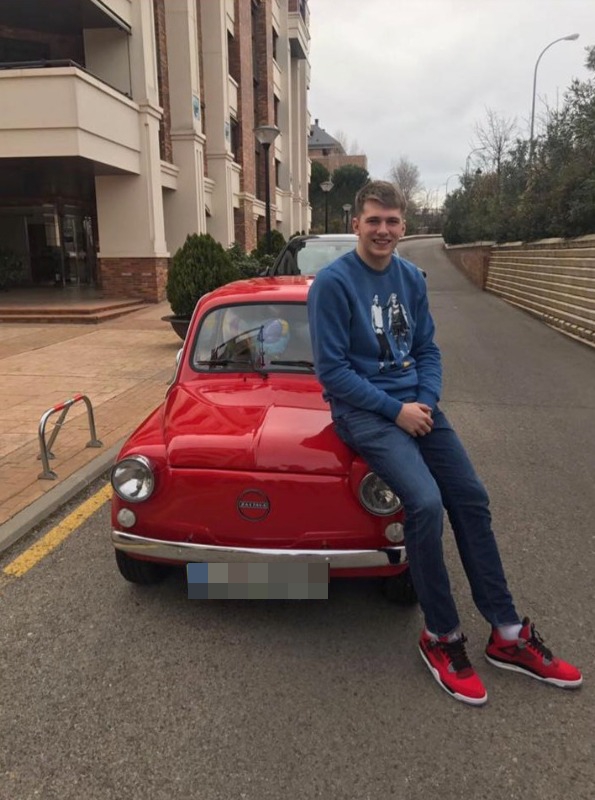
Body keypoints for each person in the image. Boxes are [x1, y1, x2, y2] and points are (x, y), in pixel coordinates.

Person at [307, 180, 582, 706]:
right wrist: (396, 410)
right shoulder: (333, 284)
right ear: (355, 225)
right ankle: (440, 635)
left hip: (418, 409)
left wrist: (425, 402)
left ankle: (505, 632)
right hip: (365, 415)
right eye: (373, 221)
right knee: (427, 504)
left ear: (404, 226)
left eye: (392, 221)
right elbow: (333, 372)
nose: (383, 230)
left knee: (472, 498)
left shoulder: (412, 278)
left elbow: (428, 349)